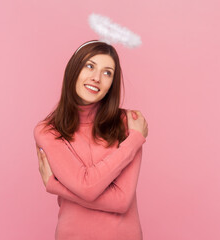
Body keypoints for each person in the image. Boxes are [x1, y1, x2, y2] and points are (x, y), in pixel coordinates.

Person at [33, 40, 148, 240]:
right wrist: (133, 142)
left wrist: (54, 185)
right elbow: (87, 188)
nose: (96, 78)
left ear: (112, 83)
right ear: (74, 69)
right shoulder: (48, 131)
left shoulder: (129, 124)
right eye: (90, 66)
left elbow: (121, 201)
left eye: (107, 73)